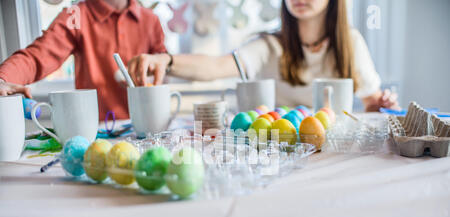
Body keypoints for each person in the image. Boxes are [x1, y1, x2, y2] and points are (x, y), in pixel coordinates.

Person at [128, 0, 398, 112]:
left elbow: (373, 104)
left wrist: (385, 104)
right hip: (282, 159)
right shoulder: (270, 45)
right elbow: (215, 66)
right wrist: (168, 61)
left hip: (335, 160)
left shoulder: (351, 43)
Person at [0, 0, 166, 119]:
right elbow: (37, 57)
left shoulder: (150, 20)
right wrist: (3, 78)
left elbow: (164, 66)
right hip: (96, 130)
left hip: (145, 127)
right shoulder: (76, 15)